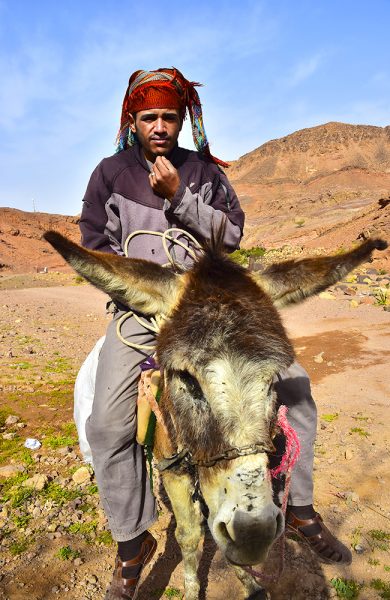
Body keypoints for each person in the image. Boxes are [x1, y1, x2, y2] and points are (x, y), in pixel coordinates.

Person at [79, 68, 351, 600]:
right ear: (131, 121)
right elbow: (94, 245)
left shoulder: (203, 171)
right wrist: (141, 294)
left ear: (184, 120)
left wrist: (180, 196)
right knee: (108, 426)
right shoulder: (109, 174)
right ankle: (132, 543)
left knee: (295, 393)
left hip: (213, 313)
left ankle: (296, 508)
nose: (160, 126)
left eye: (169, 117)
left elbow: (231, 237)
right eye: (149, 117)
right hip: (145, 314)